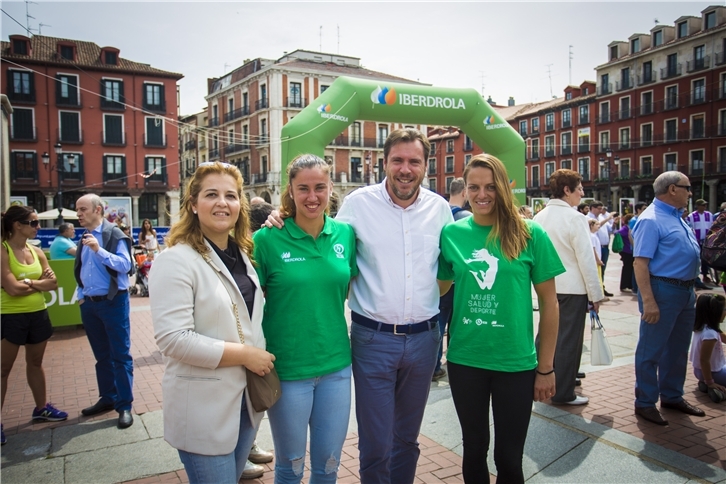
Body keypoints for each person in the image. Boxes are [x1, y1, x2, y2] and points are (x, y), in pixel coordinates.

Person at [267, 128, 452, 483]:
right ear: (384, 162)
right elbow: (319, 230)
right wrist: (282, 214)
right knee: (376, 441)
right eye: (397, 160)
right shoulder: (357, 205)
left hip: (425, 339)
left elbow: (446, 273)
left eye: (414, 161)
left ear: (426, 165)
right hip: (373, 339)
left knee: (407, 439)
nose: (405, 169)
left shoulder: (440, 209)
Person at [437, 154, 562, 483]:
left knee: (509, 457)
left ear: (505, 188)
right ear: (464, 189)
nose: (482, 194)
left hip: (516, 363)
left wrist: (546, 367)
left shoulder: (529, 233)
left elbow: (550, 303)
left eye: (491, 187)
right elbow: (436, 290)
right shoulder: (451, 234)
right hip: (466, 360)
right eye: (474, 187)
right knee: (474, 449)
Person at [149, 162, 275, 484]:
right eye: (212, 194)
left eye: (231, 196)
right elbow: (174, 339)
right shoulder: (175, 260)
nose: (223, 202)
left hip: (246, 403)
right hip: (204, 409)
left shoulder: (242, 255)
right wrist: (246, 355)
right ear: (193, 204)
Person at [253, 154, 357, 483]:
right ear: (291, 191)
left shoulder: (346, 235)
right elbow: (249, 302)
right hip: (287, 370)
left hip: (336, 368)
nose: (312, 197)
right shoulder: (267, 240)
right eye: (303, 189)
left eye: (320, 188)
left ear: (331, 189)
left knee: (328, 465)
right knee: (290, 466)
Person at [632, 171, 705, 425]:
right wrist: (649, 301)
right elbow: (640, 264)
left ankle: (672, 395)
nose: (690, 192)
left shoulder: (677, 217)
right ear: (672, 189)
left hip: (684, 291)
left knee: (677, 349)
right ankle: (645, 401)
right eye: (687, 187)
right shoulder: (651, 219)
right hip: (663, 290)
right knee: (651, 350)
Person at [534, 169, 605, 406]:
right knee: (568, 341)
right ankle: (564, 392)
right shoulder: (575, 218)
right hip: (573, 288)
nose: (582, 193)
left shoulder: (539, 217)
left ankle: (537, 379)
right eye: (580, 188)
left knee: (545, 335)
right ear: (567, 190)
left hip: (546, 286)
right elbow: (586, 259)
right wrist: (596, 295)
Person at [1, 206, 68, 446]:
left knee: (35, 363)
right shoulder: (3, 250)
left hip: (38, 314)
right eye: (33, 222)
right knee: (3, 369)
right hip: (10, 316)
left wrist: (27, 281)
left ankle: (41, 408)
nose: (38, 226)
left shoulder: (37, 251)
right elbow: (12, 289)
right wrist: (37, 282)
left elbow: (53, 283)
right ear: (17, 225)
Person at [74, 194, 135, 429]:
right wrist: (81, 297)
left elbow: (125, 265)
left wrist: (99, 250)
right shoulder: (84, 237)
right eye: (77, 210)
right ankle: (108, 397)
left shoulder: (113, 234)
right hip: (90, 304)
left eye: (83, 209)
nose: (78, 214)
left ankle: (125, 405)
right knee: (102, 356)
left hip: (113, 302)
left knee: (120, 355)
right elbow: (82, 270)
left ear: (98, 209)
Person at [434, 177, 472, 381]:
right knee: (457, 323)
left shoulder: (438, 215)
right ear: (465, 192)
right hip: (459, 282)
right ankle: (455, 359)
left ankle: (433, 364)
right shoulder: (466, 217)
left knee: (438, 322)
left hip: (439, 278)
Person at [690, 294, 726, 403]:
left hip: (700, 372)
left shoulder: (704, 327)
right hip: (714, 373)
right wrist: (711, 381)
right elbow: (704, 360)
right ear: (714, 312)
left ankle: (705, 383)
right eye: (724, 309)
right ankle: (713, 387)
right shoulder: (710, 334)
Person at [587, 201, 616, 297]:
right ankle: (597, 291)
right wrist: (608, 218)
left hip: (604, 247)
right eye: (599, 208)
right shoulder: (588, 218)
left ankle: (602, 288)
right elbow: (598, 225)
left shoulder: (601, 217)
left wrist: (614, 223)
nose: (601, 211)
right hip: (595, 249)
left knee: (602, 270)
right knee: (596, 271)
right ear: (593, 208)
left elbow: (610, 229)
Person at [687, 199, 714, 288]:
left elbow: (712, 227)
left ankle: (705, 275)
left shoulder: (709, 215)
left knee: (706, 258)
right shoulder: (692, 216)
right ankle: (697, 276)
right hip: (697, 241)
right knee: (697, 258)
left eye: (705, 205)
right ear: (698, 206)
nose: (704, 207)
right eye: (703, 205)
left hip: (707, 240)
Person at [616, 214, 635, 292]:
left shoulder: (628, 228)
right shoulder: (625, 229)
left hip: (629, 251)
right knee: (627, 268)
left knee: (629, 268)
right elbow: (617, 232)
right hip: (626, 251)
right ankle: (624, 285)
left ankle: (629, 284)